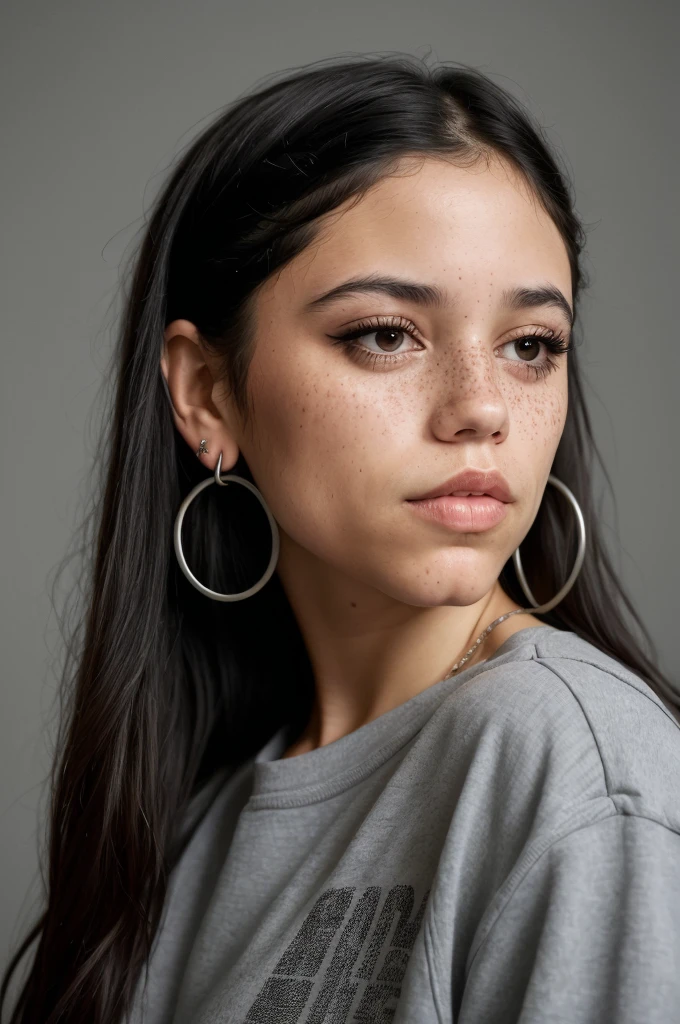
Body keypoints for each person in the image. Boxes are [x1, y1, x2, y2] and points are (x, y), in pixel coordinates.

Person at [3, 53, 679, 1024]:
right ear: (206, 393)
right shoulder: (198, 816)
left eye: (529, 345)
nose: (481, 407)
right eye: (383, 333)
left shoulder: (579, 773)